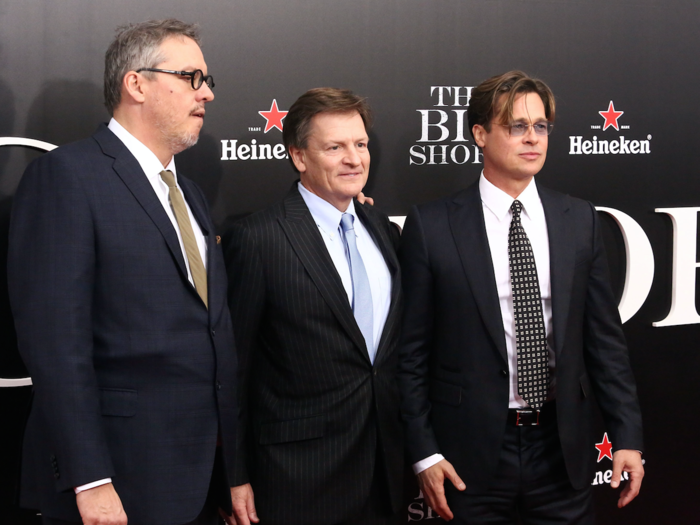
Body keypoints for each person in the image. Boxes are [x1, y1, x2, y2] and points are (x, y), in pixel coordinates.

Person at [8, 19, 239, 525]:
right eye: (191, 78)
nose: (207, 95)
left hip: (196, 478)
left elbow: (212, 335)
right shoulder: (67, 177)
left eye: (208, 81)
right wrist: (89, 479)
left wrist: (232, 470)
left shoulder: (191, 195)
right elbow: (55, 344)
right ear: (136, 83)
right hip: (114, 480)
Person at [397, 70, 644, 524]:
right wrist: (424, 453)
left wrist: (627, 435)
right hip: (467, 458)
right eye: (516, 126)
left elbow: (605, 342)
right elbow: (410, 353)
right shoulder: (431, 227)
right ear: (479, 134)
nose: (533, 138)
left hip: (561, 449)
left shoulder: (579, 219)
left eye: (541, 126)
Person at [226, 88, 403, 525]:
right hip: (295, 479)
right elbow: (234, 370)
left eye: (360, 144)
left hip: (386, 473)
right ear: (299, 157)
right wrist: (233, 474)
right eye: (335, 147)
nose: (354, 159)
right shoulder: (259, 238)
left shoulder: (384, 232)